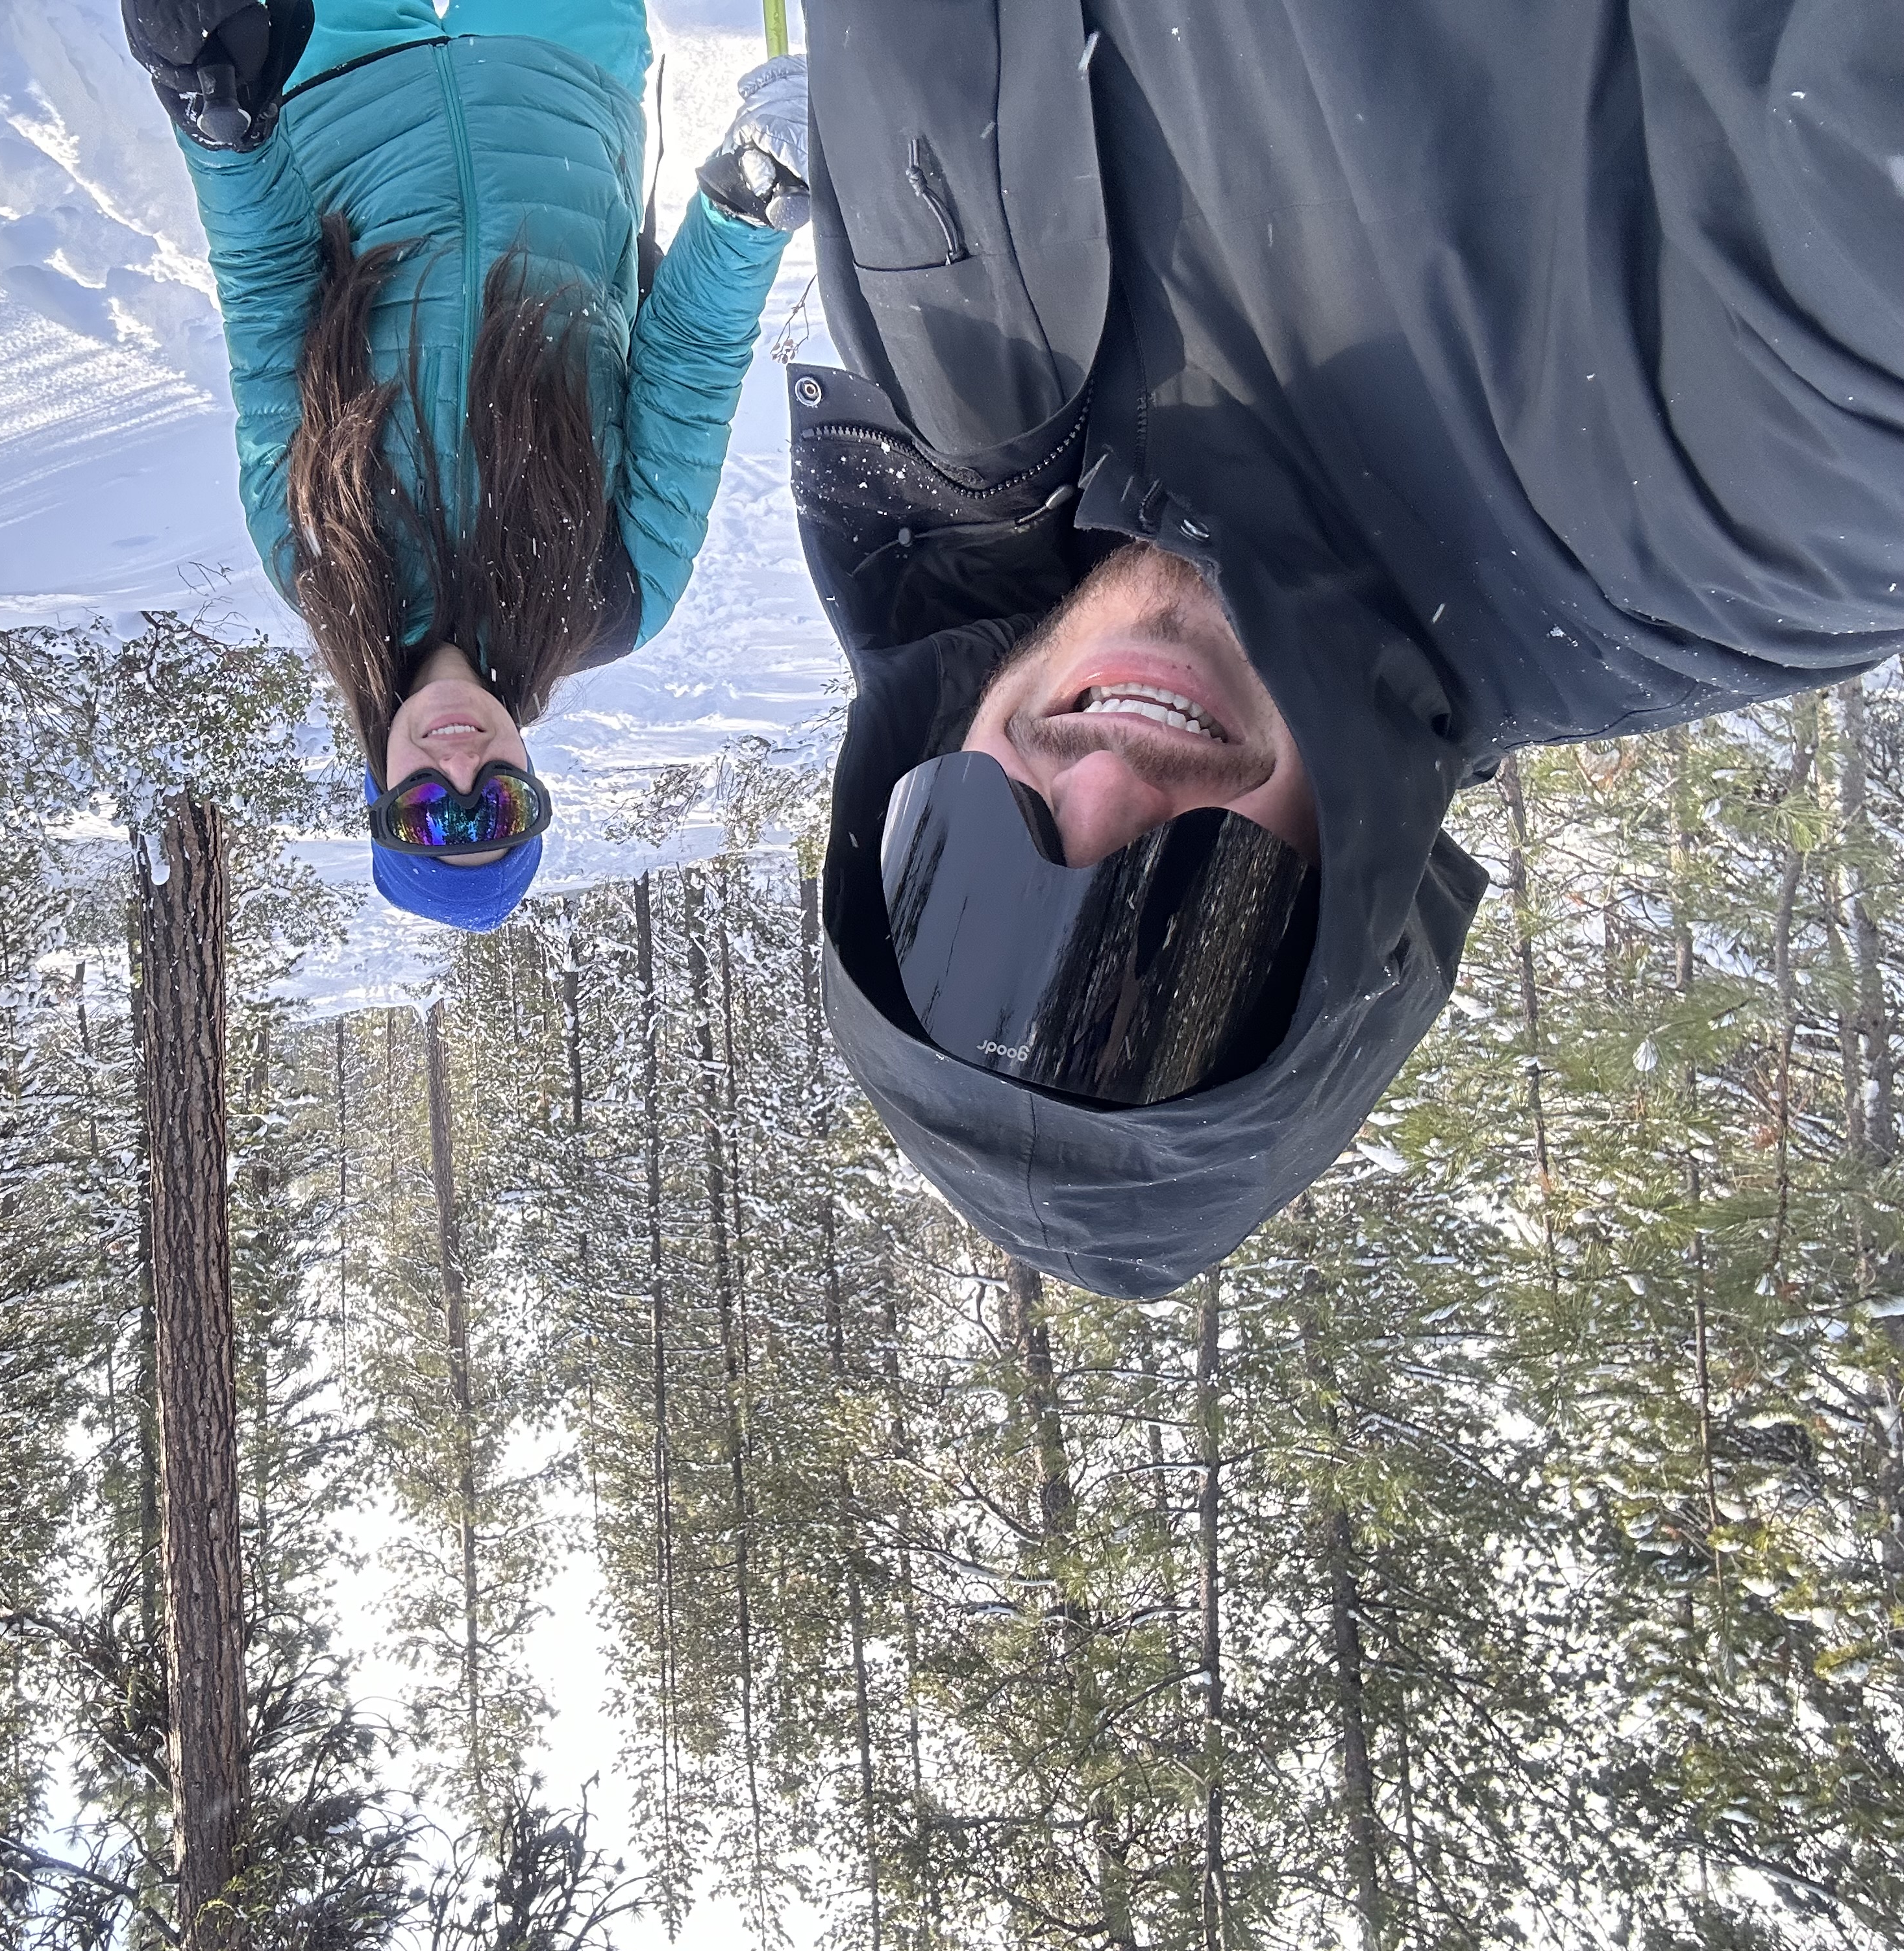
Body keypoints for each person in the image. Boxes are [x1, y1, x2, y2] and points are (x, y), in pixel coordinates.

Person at [793, 0, 1904, 1297]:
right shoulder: (1725, 525)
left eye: (970, 868)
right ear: (1342, 924)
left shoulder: (953, 381)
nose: (1099, 791)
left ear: (916, 763)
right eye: (1186, 921)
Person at [123, 0, 810, 932]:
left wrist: (221, 124)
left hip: (339, 82)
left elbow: (272, 294)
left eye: (428, 816)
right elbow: (686, 363)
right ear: (531, 780)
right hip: (561, 80)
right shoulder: (618, 593)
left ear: (381, 789)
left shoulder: (316, 562)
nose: (462, 773)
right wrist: (750, 204)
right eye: (497, 810)